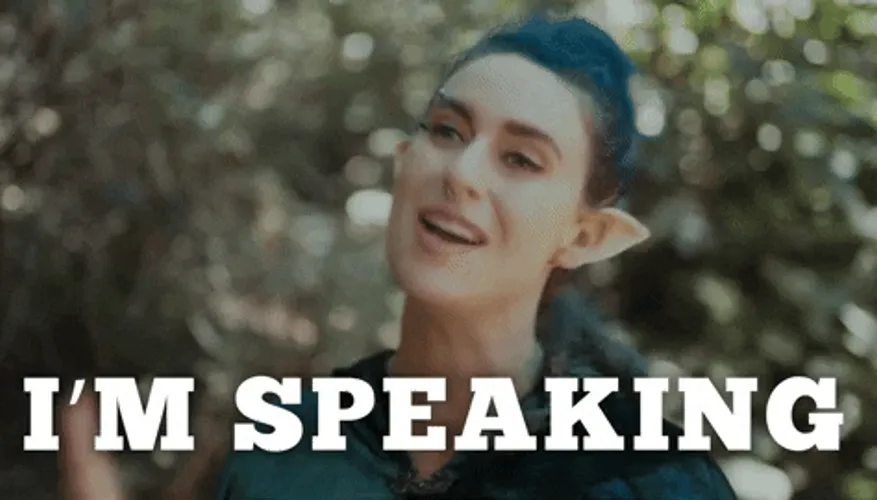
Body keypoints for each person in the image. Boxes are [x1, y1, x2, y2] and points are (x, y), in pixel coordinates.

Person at [61, 12, 738, 500]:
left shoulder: (649, 479)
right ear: (403, 162)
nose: (461, 172)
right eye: (446, 131)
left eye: (521, 159)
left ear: (584, 236)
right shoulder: (281, 448)